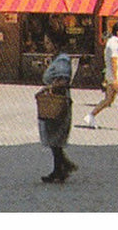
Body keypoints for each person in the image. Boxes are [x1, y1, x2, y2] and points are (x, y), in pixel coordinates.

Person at [82, 21, 118, 130]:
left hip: (113, 73)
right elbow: (114, 60)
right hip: (115, 74)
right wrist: (116, 77)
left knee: (108, 100)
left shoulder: (113, 42)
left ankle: (91, 115)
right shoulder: (114, 44)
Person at [38, 52, 78, 183]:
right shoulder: (58, 59)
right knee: (55, 139)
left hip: (58, 102)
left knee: (55, 137)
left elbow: (63, 80)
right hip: (55, 100)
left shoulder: (62, 60)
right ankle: (62, 167)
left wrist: (47, 88)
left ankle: (61, 169)